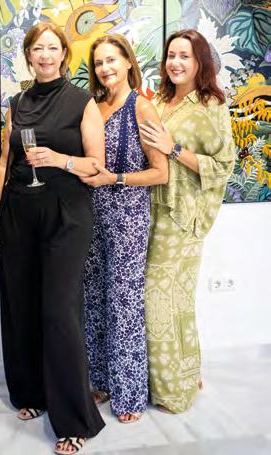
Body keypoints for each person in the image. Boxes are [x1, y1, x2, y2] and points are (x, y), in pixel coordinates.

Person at [0, 22, 105, 455]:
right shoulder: (17, 103)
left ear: (64, 55)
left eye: (53, 48)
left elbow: (97, 167)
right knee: (21, 304)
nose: (45, 55)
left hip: (66, 214)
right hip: (19, 211)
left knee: (59, 311)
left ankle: (74, 419)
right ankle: (31, 392)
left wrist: (59, 159)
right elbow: (5, 161)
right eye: (38, 48)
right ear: (28, 55)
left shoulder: (82, 102)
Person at [139, 29, 235, 413]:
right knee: (176, 297)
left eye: (185, 56)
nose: (175, 63)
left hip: (182, 214)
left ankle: (170, 392)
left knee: (157, 296)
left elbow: (223, 165)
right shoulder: (160, 100)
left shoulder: (211, 106)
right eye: (171, 55)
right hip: (151, 208)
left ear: (200, 62)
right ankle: (185, 373)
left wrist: (174, 148)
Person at [82, 34, 168, 423]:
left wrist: (114, 178)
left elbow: (160, 172)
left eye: (112, 60)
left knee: (124, 303)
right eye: (99, 62)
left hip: (128, 219)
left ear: (129, 62)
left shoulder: (142, 107)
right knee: (94, 299)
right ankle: (100, 381)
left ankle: (130, 394)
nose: (105, 68)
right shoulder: (93, 107)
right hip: (91, 216)